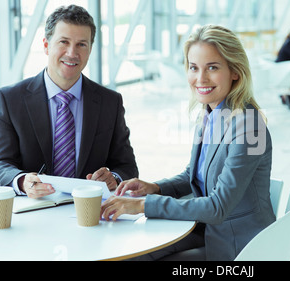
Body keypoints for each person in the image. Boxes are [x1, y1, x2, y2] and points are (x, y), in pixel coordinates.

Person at [100, 25, 275, 261]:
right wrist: (154, 188)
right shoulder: (211, 113)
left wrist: (143, 205)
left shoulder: (250, 126)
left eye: (212, 67)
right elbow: (194, 175)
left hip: (237, 245)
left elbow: (217, 207)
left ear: (235, 71)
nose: (200, 78)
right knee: (127, 253)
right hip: (203, 228)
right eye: (194, 68)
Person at [0, 5, 138, 198]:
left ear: (90, 49)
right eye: (64, 42)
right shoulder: (10, 100)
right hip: (31, 211)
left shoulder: (110, 102)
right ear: (46, 45)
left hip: (90, 212)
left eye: (81, 44)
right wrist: (22, 181)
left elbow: (127, 166)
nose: (72, 53)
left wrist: (114, 177)